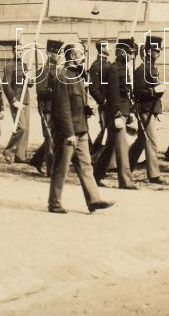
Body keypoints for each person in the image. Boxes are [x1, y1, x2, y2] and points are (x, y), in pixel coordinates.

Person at [48, 43, 116, 214]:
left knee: (86, 167)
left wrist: (86, 109)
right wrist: (69, 133)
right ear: (72, 56)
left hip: (81, 130)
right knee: (61, 168)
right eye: (80, 54)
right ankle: (54, 203)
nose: (83, 57)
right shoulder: (62, 77)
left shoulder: (78, 76)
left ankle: (94, 200)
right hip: (68, 133)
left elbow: (76, 102)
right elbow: (62, 109)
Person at [93, 37, 138, 189]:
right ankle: (126, 181)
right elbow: (113, 95)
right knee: (122, 147)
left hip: (124, 111)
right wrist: (117, 114)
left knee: (111, 146)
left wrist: (130, 111)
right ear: (120, 52)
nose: (131, 56)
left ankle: (96, 175)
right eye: (129, 52)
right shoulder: (113, 69)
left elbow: (127, 92)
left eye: (132, 53)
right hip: (116, 113)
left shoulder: (124, 68)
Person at [130, 35, 167, 184]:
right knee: (151, 141)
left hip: (151, 108)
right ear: (148, 51)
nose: (158, 53)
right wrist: (154, 91)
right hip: (146, 109)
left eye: (159, 50)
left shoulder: (151, 68)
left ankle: (125, 166)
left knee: (141, 140)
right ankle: (154, 174)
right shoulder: (142, 69)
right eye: (155, 50)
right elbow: (138, 92)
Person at [29, 39, 61, 176]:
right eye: (57, 53)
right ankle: (51, 170)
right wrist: (57, 92)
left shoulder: (59, 70)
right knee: (50, 139)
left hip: (58, 109)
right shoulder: (43, 71)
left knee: (55, 137)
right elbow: (41, 92)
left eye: (60, 53)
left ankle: (36, 160)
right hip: (47, 108)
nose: (60, 56)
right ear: (48, 54)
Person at [2, 43, 33, 164]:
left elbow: (29, 84)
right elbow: (6, 85)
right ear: (13, 51)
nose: (20, 52)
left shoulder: (25, 66)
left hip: (26, 100)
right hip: (17, 100)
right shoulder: (9, 66)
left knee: (26, 129)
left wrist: (30, 78)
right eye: (18, 50)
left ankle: (20, 156)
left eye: (21, 50)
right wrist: (13, 101)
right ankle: (8, 150)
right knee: (21, 127)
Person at [88, 40, 112, 155]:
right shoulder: (96, 66)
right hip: (105, 104)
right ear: (102, 48)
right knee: (105, 130)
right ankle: (93, 155)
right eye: (108, 46)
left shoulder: (108, 64)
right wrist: (103, 101)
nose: (110, 48)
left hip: (111, 102)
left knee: (108, 130)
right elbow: (93, 88)